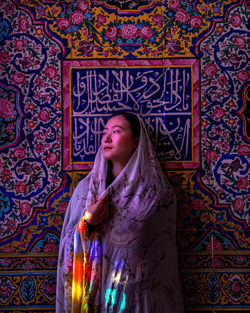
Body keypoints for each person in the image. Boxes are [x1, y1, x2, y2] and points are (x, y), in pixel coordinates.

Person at [56, 112, 184, 313]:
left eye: (116, 132)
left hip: (138, 301)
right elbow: (66, 248)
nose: (106, 138)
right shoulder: (85, 191)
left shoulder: (156, 194)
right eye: (105, 132)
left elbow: (159, 263)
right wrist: (88, 222)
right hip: (94, 301)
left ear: (136, 142)